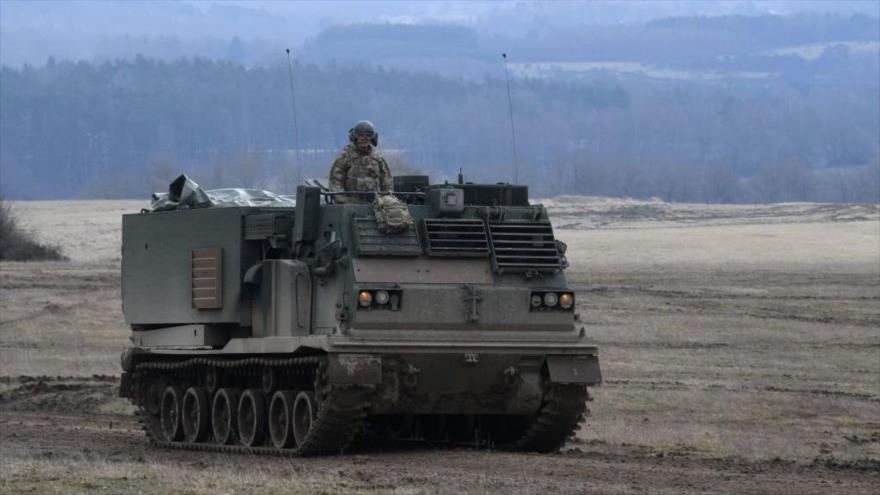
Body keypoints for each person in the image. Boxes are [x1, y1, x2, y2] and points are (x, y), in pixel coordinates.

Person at [328, 120, 393, 203]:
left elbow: (387, 183)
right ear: (355, 137)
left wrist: (386, 202)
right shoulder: (345, 157)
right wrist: (343, 202)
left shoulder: (377, 159)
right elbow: (335, 181)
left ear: (372, 138)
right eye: (361, 135)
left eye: (368, 135)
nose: (364, 138)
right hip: (351, 205)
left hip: (375, 204)